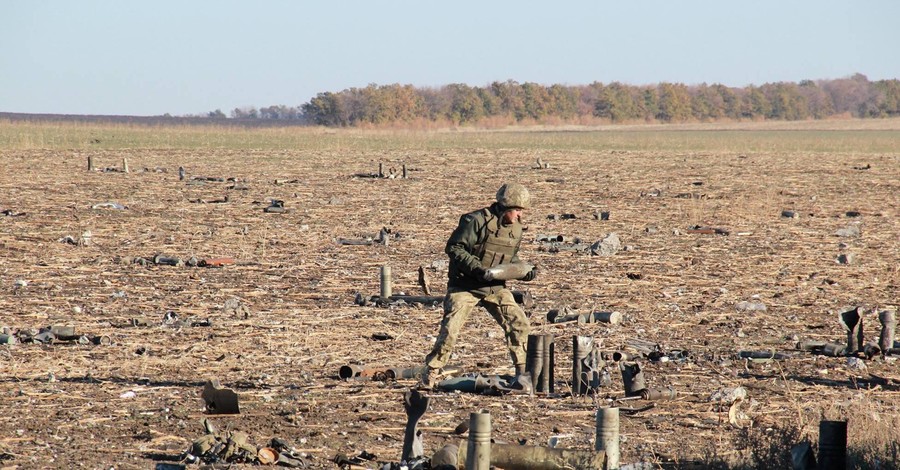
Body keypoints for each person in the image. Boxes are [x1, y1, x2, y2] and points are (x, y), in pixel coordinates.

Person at [421, 183, 537, 392]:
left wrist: (523, 270)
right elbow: (454, 248)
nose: (520, 216)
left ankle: (522, 374)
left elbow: (509, 258)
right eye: (518, 210)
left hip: (494, 287)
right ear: (505, 207)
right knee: (451, 330)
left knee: (519, 324)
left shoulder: (516, 229)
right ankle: (431, 372)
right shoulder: (475, 221)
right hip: (465, 285)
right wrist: (477, 269)